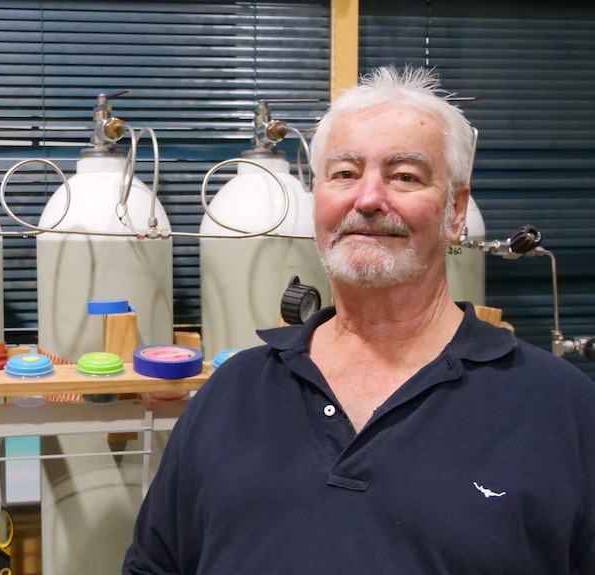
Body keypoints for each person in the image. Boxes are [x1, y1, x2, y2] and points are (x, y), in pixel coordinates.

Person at [122, 65, 595, 574]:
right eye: (345, 173)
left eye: (405, 176)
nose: (368, 199)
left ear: (456, 212)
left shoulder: (560, 408)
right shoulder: (231, 394)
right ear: (318, 200)